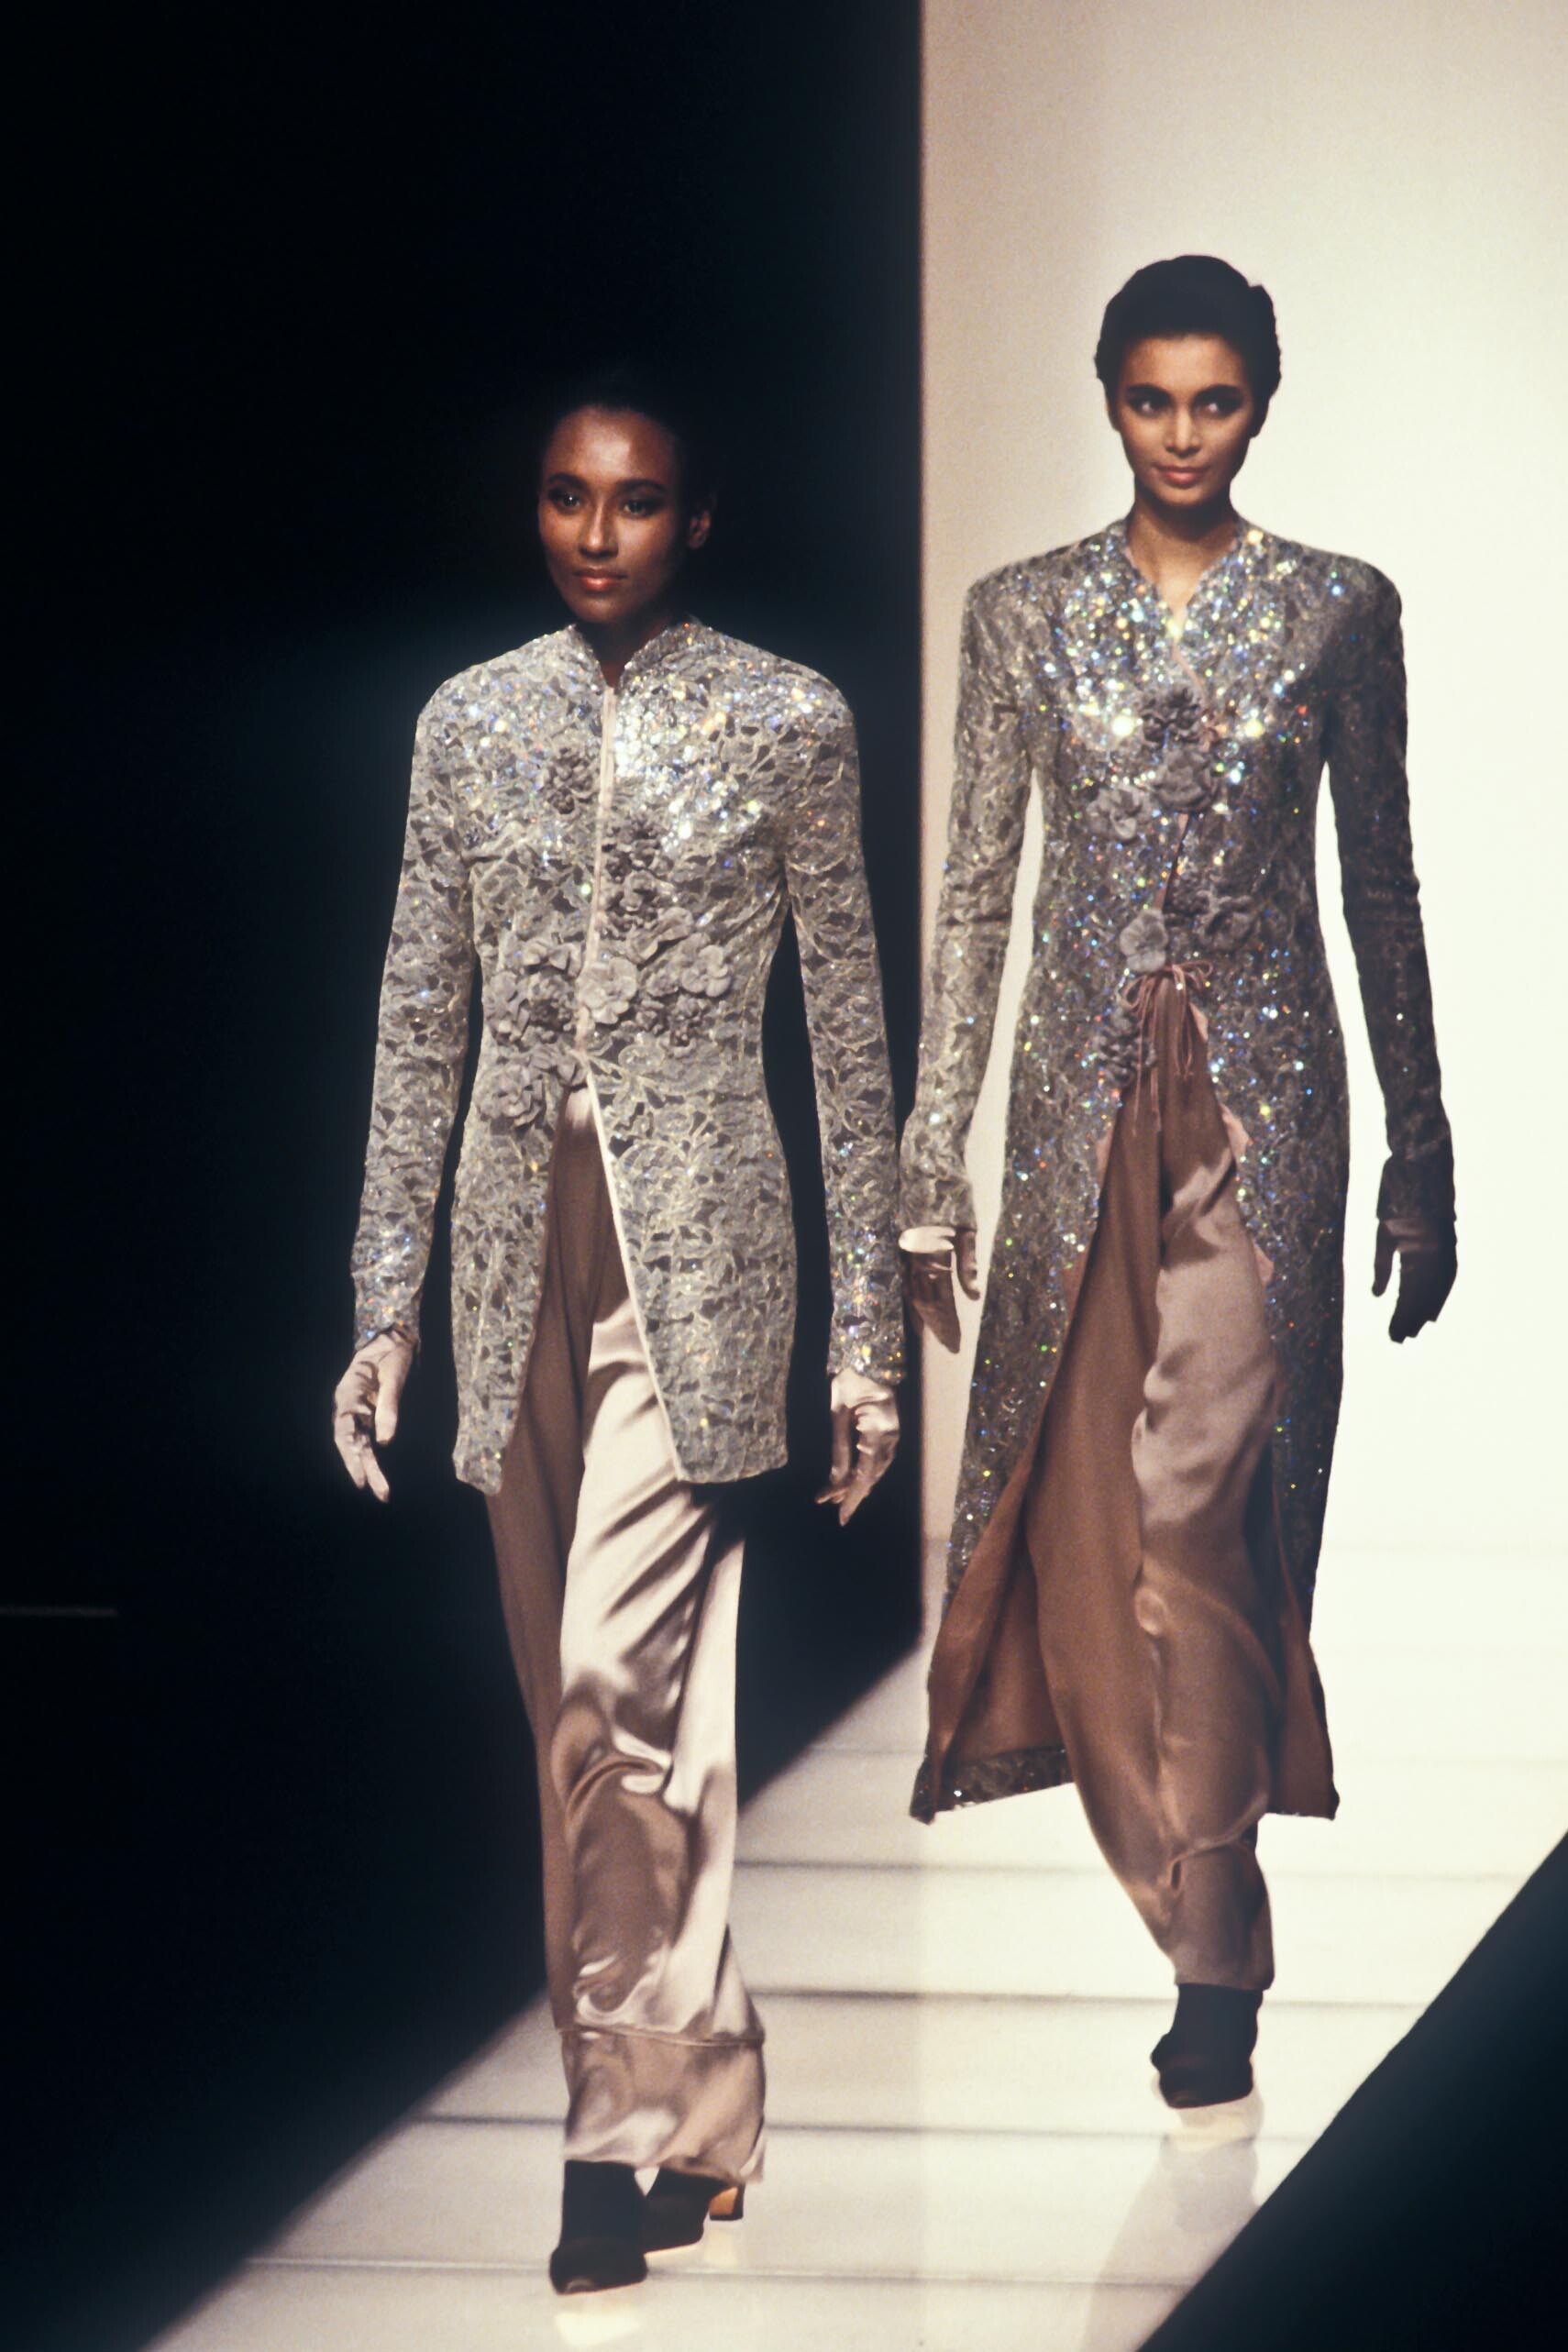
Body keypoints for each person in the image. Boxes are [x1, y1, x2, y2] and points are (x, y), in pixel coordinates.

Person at [332, 369, 903, 2290]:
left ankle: (604, 2141)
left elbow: (847, 1038)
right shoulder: (468, 720)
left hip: (706, 1261)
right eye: (568, 496)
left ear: (698, 517)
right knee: (601, 1739)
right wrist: (383, 1304)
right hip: (516, 1257)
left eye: (636, 499)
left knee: (610, 1691)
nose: (595, 531)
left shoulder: (788, 720)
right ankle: (711, 2098)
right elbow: (419, 1013)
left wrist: (865, 1337)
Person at [901, 257, 1454, 2106]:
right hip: (1078, 1115)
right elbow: (975, 895)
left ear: (1262, 402)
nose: (1182, 433)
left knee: (1198, 1512)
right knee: (1089, 1540)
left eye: (1215, 399)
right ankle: (1195, 1907)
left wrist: (1423, 1147)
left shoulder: (1337, 610)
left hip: (1266, 1116)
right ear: (1108, 397)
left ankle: (1215, 1955)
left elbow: (1380, 883)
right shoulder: (1020, 614)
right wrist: (929, 1157)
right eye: (1151, 398)